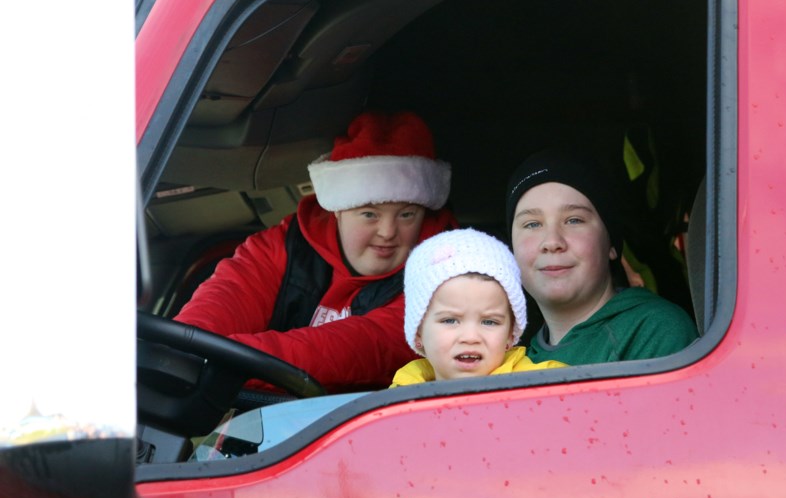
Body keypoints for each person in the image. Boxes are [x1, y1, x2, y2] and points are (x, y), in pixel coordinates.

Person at [175, 110, 458, 392]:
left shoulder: (446, 275)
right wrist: (179, 351)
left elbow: (362, 347)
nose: (388, 231)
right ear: (337, 211)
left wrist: (214, 362)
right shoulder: (285, 246)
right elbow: (226, 297)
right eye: (369, 214)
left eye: (407, 215)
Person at [505, 148, 698, 366]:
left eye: (574, 220)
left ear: (611, 244)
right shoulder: (516, 358)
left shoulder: (653, 330)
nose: (552, 242)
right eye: (532, 224)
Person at [391, 228, 566, 386]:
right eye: (450, 320)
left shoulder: (547, 386)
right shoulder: (398, 399)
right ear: (418, 331)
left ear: (510, 334)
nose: (470, 337)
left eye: (489, 322)